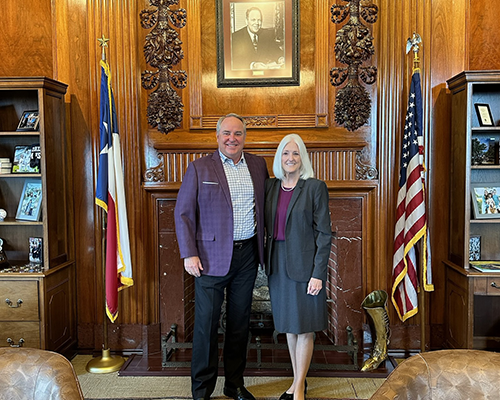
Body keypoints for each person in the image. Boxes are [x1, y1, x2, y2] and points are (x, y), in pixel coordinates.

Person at [174, 113, 269, 400]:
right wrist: (189, 253)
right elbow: (183, 214)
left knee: (240, 324)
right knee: (206, 326)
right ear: (217, 137)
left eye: (238, 133)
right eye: (226, 133)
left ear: (244, 137)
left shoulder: (258, 165)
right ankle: (201, 390)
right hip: (209, 259)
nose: (232, 138)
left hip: (247, 256)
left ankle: (234, 384)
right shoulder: (200, 168)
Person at [264, 134, 331, 400]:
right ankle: (295, 381)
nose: (290, 158)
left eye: (295, 153)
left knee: (305, 327)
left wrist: (318, 274)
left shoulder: (314, 187)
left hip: (305, 267)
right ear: (279, 158)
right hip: (277, 264)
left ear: (302, 158)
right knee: (289, 326)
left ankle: (300, 389)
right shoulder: (271, 187)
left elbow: (324, 234)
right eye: (285, 153)